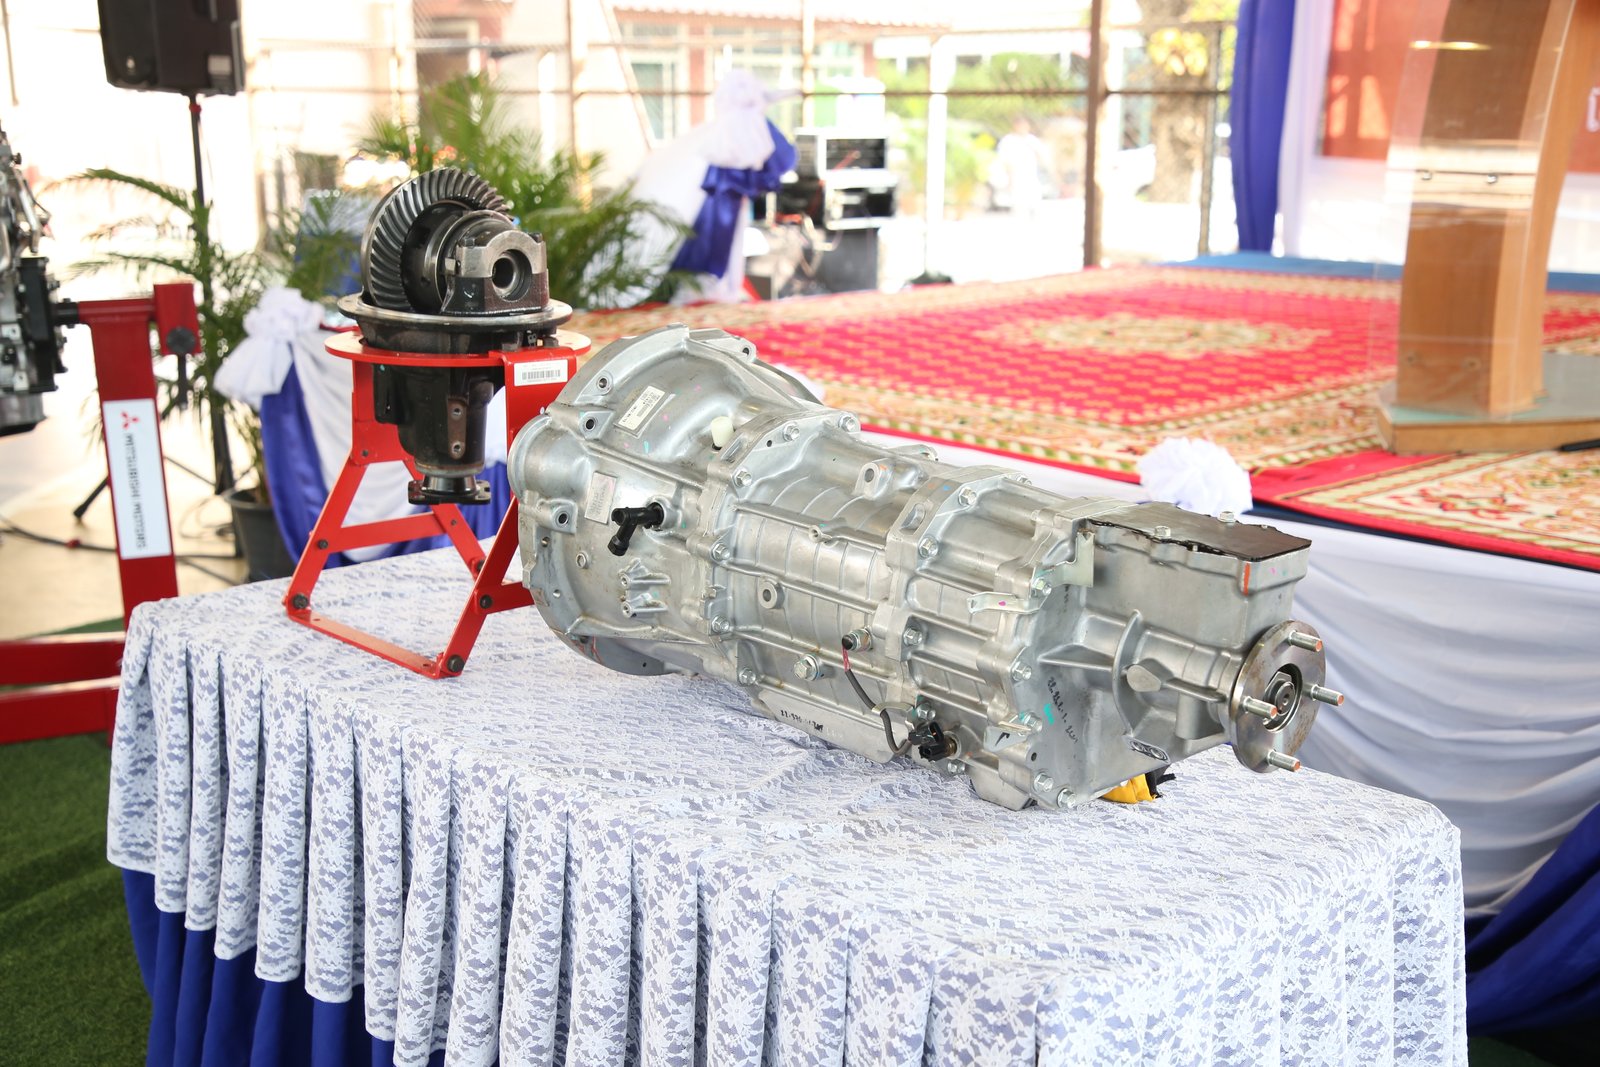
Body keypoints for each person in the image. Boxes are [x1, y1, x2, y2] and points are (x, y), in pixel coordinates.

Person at [994, 117, 1050, 217]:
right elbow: (1004, 160)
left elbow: (1041, 155)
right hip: (1015, 176)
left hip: (1031, 175)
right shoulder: (1008, 140)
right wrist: (1009, 177)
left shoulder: (1032, 140)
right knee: (1019, 205)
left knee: (1034, 202)